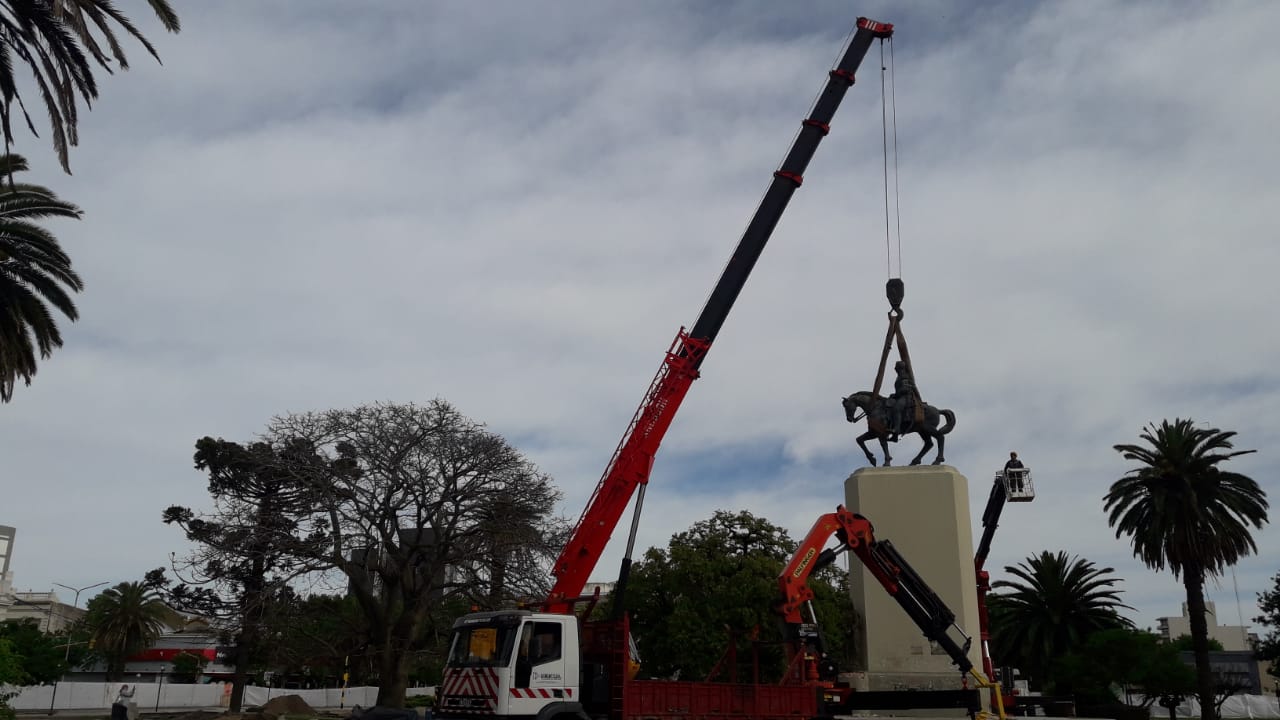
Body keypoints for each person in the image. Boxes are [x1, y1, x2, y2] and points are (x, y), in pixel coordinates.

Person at [887, 360, 915, 441]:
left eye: (896, 367)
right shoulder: (899, 376)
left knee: (896, 409)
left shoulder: (904, 376)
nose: (895, 368)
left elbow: (905, 389)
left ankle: (896, 429)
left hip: (906, 397)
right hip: (900, 396)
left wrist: (896, 394)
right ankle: (894, 436)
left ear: (899, 368)